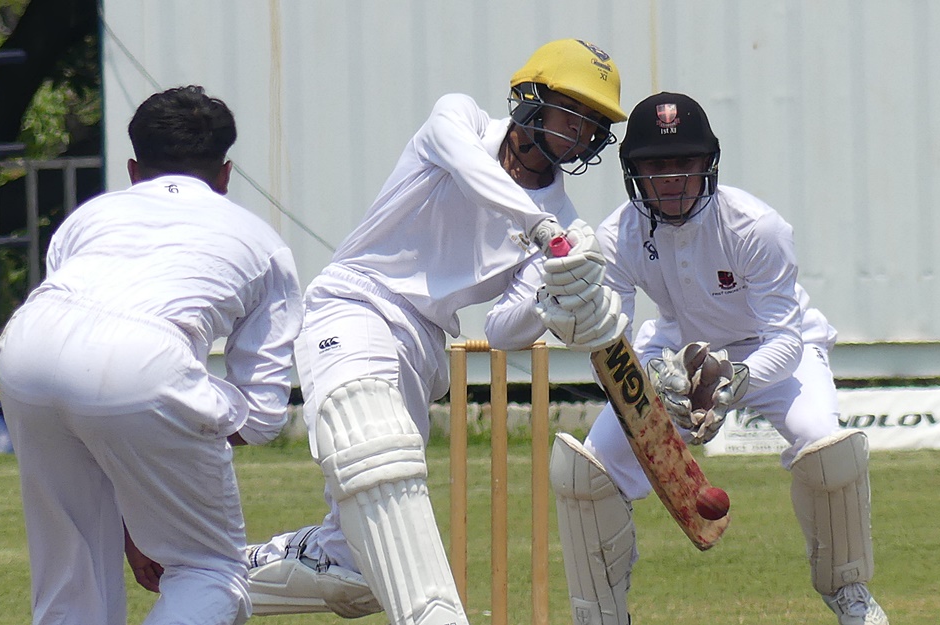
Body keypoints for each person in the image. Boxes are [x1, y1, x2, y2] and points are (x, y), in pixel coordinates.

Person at [244, 39, 628, 624]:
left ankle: (215, 576)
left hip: (423, 347)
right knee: (373, 448)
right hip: (357, 301)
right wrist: (540, 225)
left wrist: (556, 290)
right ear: (532, 100)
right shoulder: (462, 120)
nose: (579, 136)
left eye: (593, 126)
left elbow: (502, 331)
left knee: (361, 570)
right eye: (570, 115)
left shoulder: (564, 227)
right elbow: (471, 170)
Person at [546, 91, 889, 625]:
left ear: (708, 164)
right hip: (676, 348)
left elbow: (787, 336)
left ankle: (849, 593)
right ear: (633, 171)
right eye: (656, 166)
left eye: (684, 163)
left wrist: (736, 379)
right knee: (586, 472)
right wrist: (658, 377)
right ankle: (601, 615)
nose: (672, 180)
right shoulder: (617, 235)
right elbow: (619, 341)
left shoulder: (756, 227)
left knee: (826, 446)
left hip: (772, 351)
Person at [0, 85, 303, 625]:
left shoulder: (89, 219)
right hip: (147, 360)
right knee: (209, 571)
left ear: (135, 171)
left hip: (27, 349)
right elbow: (262, 419)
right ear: (225, 176)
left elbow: (85, 386)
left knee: (72, 579)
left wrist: (143, 509)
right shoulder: (261, 242)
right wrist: (160, 479)